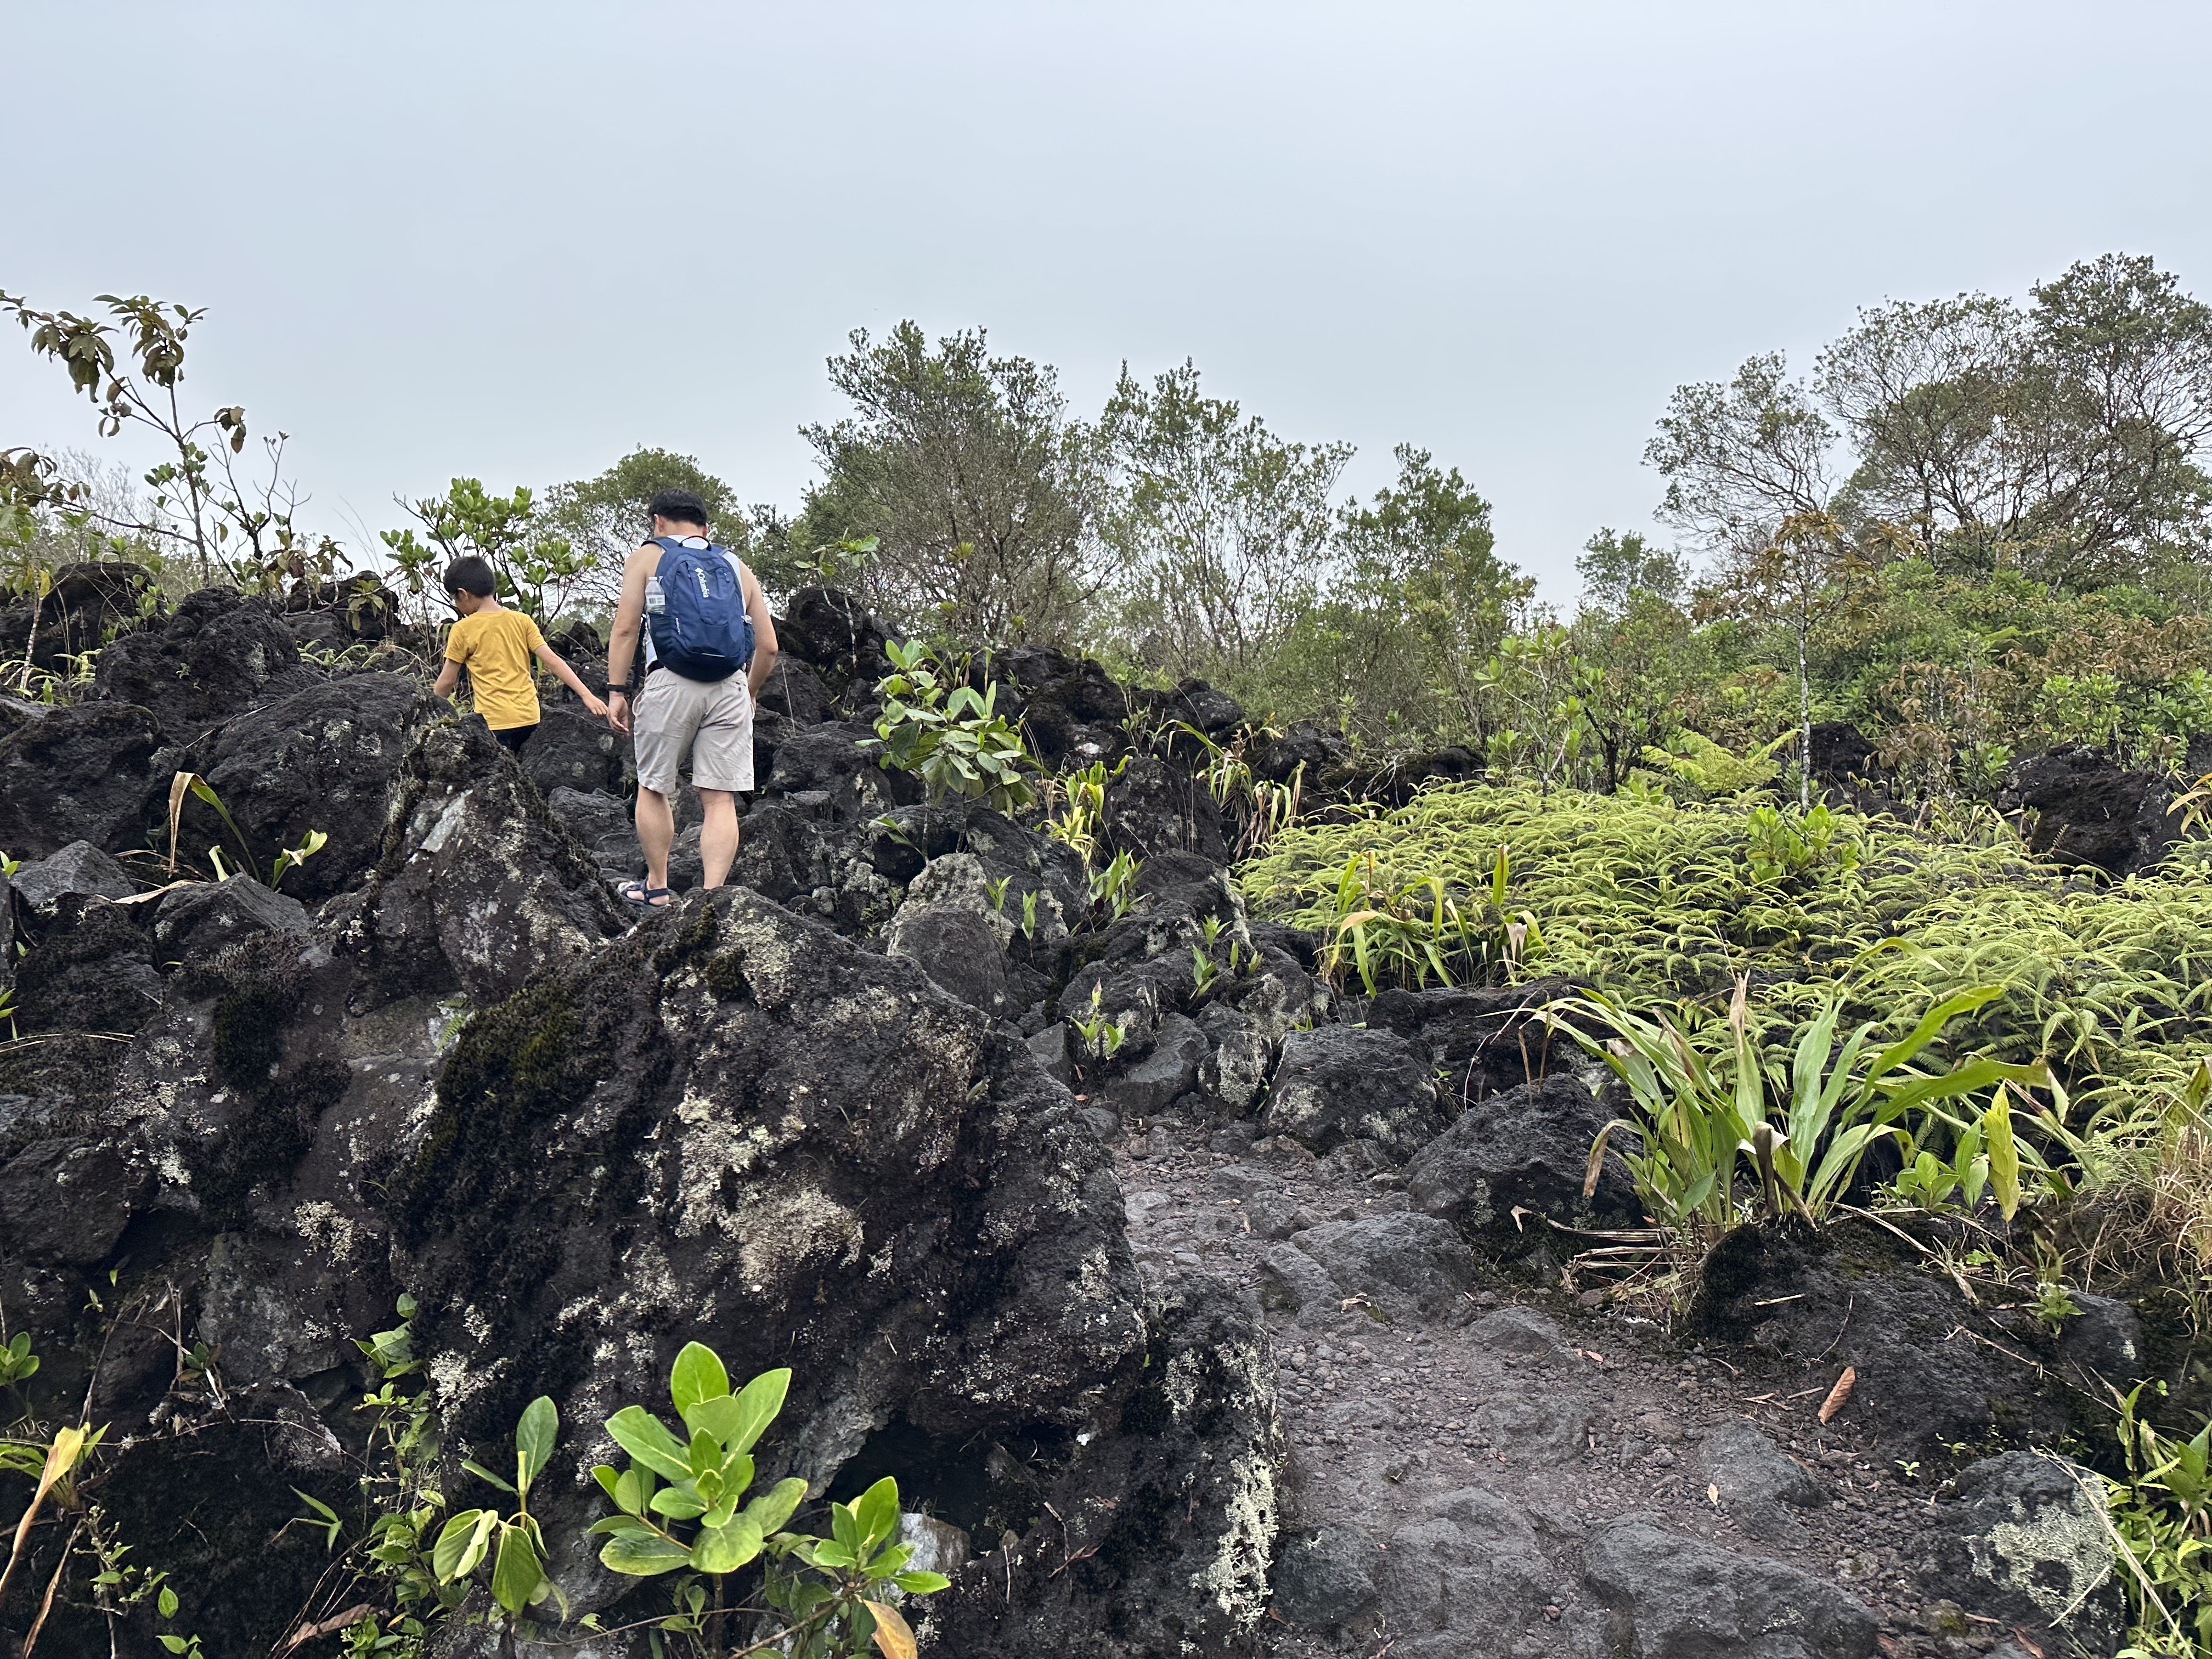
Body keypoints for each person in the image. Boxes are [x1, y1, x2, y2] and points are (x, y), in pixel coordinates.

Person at [603, 488, 778, 909]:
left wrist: (615, 692)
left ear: (658, 522)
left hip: (670, 680)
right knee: (719, 798)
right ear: (706, 528)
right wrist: (750, 692)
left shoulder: (648, 556)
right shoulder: (736, 566)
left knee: (654, 785)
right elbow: (769, 646)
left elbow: (626, 629)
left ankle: (658, 889)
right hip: (730, 685)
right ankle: (711, 903)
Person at [432, 555, 607, 750]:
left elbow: (447, 681)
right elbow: (553, 661)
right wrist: (587, 695)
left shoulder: (462, 629)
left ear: (463, 594)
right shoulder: (522, 620)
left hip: (493, 723)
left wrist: (430, 713)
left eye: (454, 598)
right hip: (529, 718)